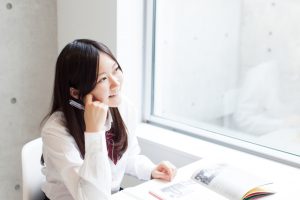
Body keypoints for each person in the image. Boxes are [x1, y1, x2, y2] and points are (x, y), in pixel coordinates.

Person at [41, 39, 176, 200]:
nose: (115, 83)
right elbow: (92, 197)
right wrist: (94, 132)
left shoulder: (123, 106)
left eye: (116, 69)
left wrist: (150, 169)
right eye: (103, 79)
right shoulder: (56, 131)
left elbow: (127, 156)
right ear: (76, 93)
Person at [233, 60, 300, 136]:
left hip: (290, 135)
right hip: (263, 140)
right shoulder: (260, 74)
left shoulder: (295, 72)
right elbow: (243, 119)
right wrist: (283, 123)